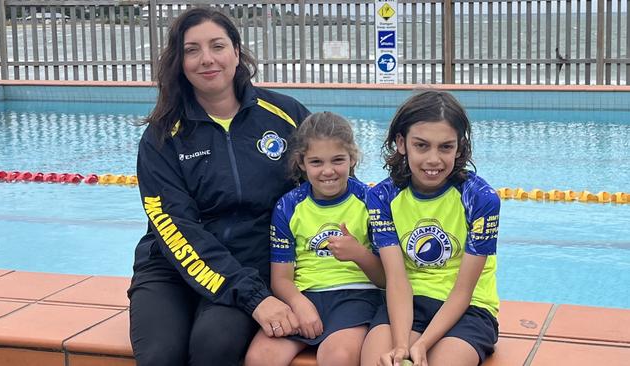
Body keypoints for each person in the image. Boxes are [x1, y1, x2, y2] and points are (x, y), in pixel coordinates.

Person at [127, 7, 310, 366]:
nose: (206, 59)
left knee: (215, 346)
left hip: (251, 263)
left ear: (236, 53)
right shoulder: (163, 137)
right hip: (171, 268)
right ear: (179, 61)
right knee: (160, 356)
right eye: (192, 50)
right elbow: (176, 229)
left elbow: (331, 187)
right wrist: (255, 298)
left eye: (217, 46)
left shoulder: (286, 115)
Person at [361, 91, 500, 366]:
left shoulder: (480, 198)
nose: (434, 159)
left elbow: (463, 291)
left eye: (445, 147)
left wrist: (422, 343)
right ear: (402, 143)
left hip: (468, 309)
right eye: (422, 146)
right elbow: (397, 279)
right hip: (406, 302)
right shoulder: (383, 197)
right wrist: (402, 345)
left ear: (459, 147)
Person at [245, 112, 385, 366]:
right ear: (301, 162)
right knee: (259, 357)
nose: (328, 171)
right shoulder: (288, 206)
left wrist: (359, 254)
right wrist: (299, 304)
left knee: (337, 357)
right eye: (317, 162)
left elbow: (386, 278)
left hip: (356, 297)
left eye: (338, 160)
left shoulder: (370, 201)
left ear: (352, 158)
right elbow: (281, 279)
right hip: (304, 296)